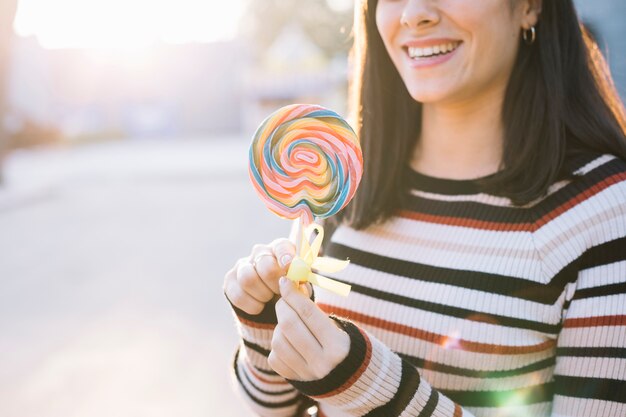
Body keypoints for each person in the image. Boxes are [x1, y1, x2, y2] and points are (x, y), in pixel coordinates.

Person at [223, 0, 626, 416]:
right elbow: (281, 409)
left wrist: (370, 388)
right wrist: (264, 333)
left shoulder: (604, 212)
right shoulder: (347, 181)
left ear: (529, 7)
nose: (414, 13)